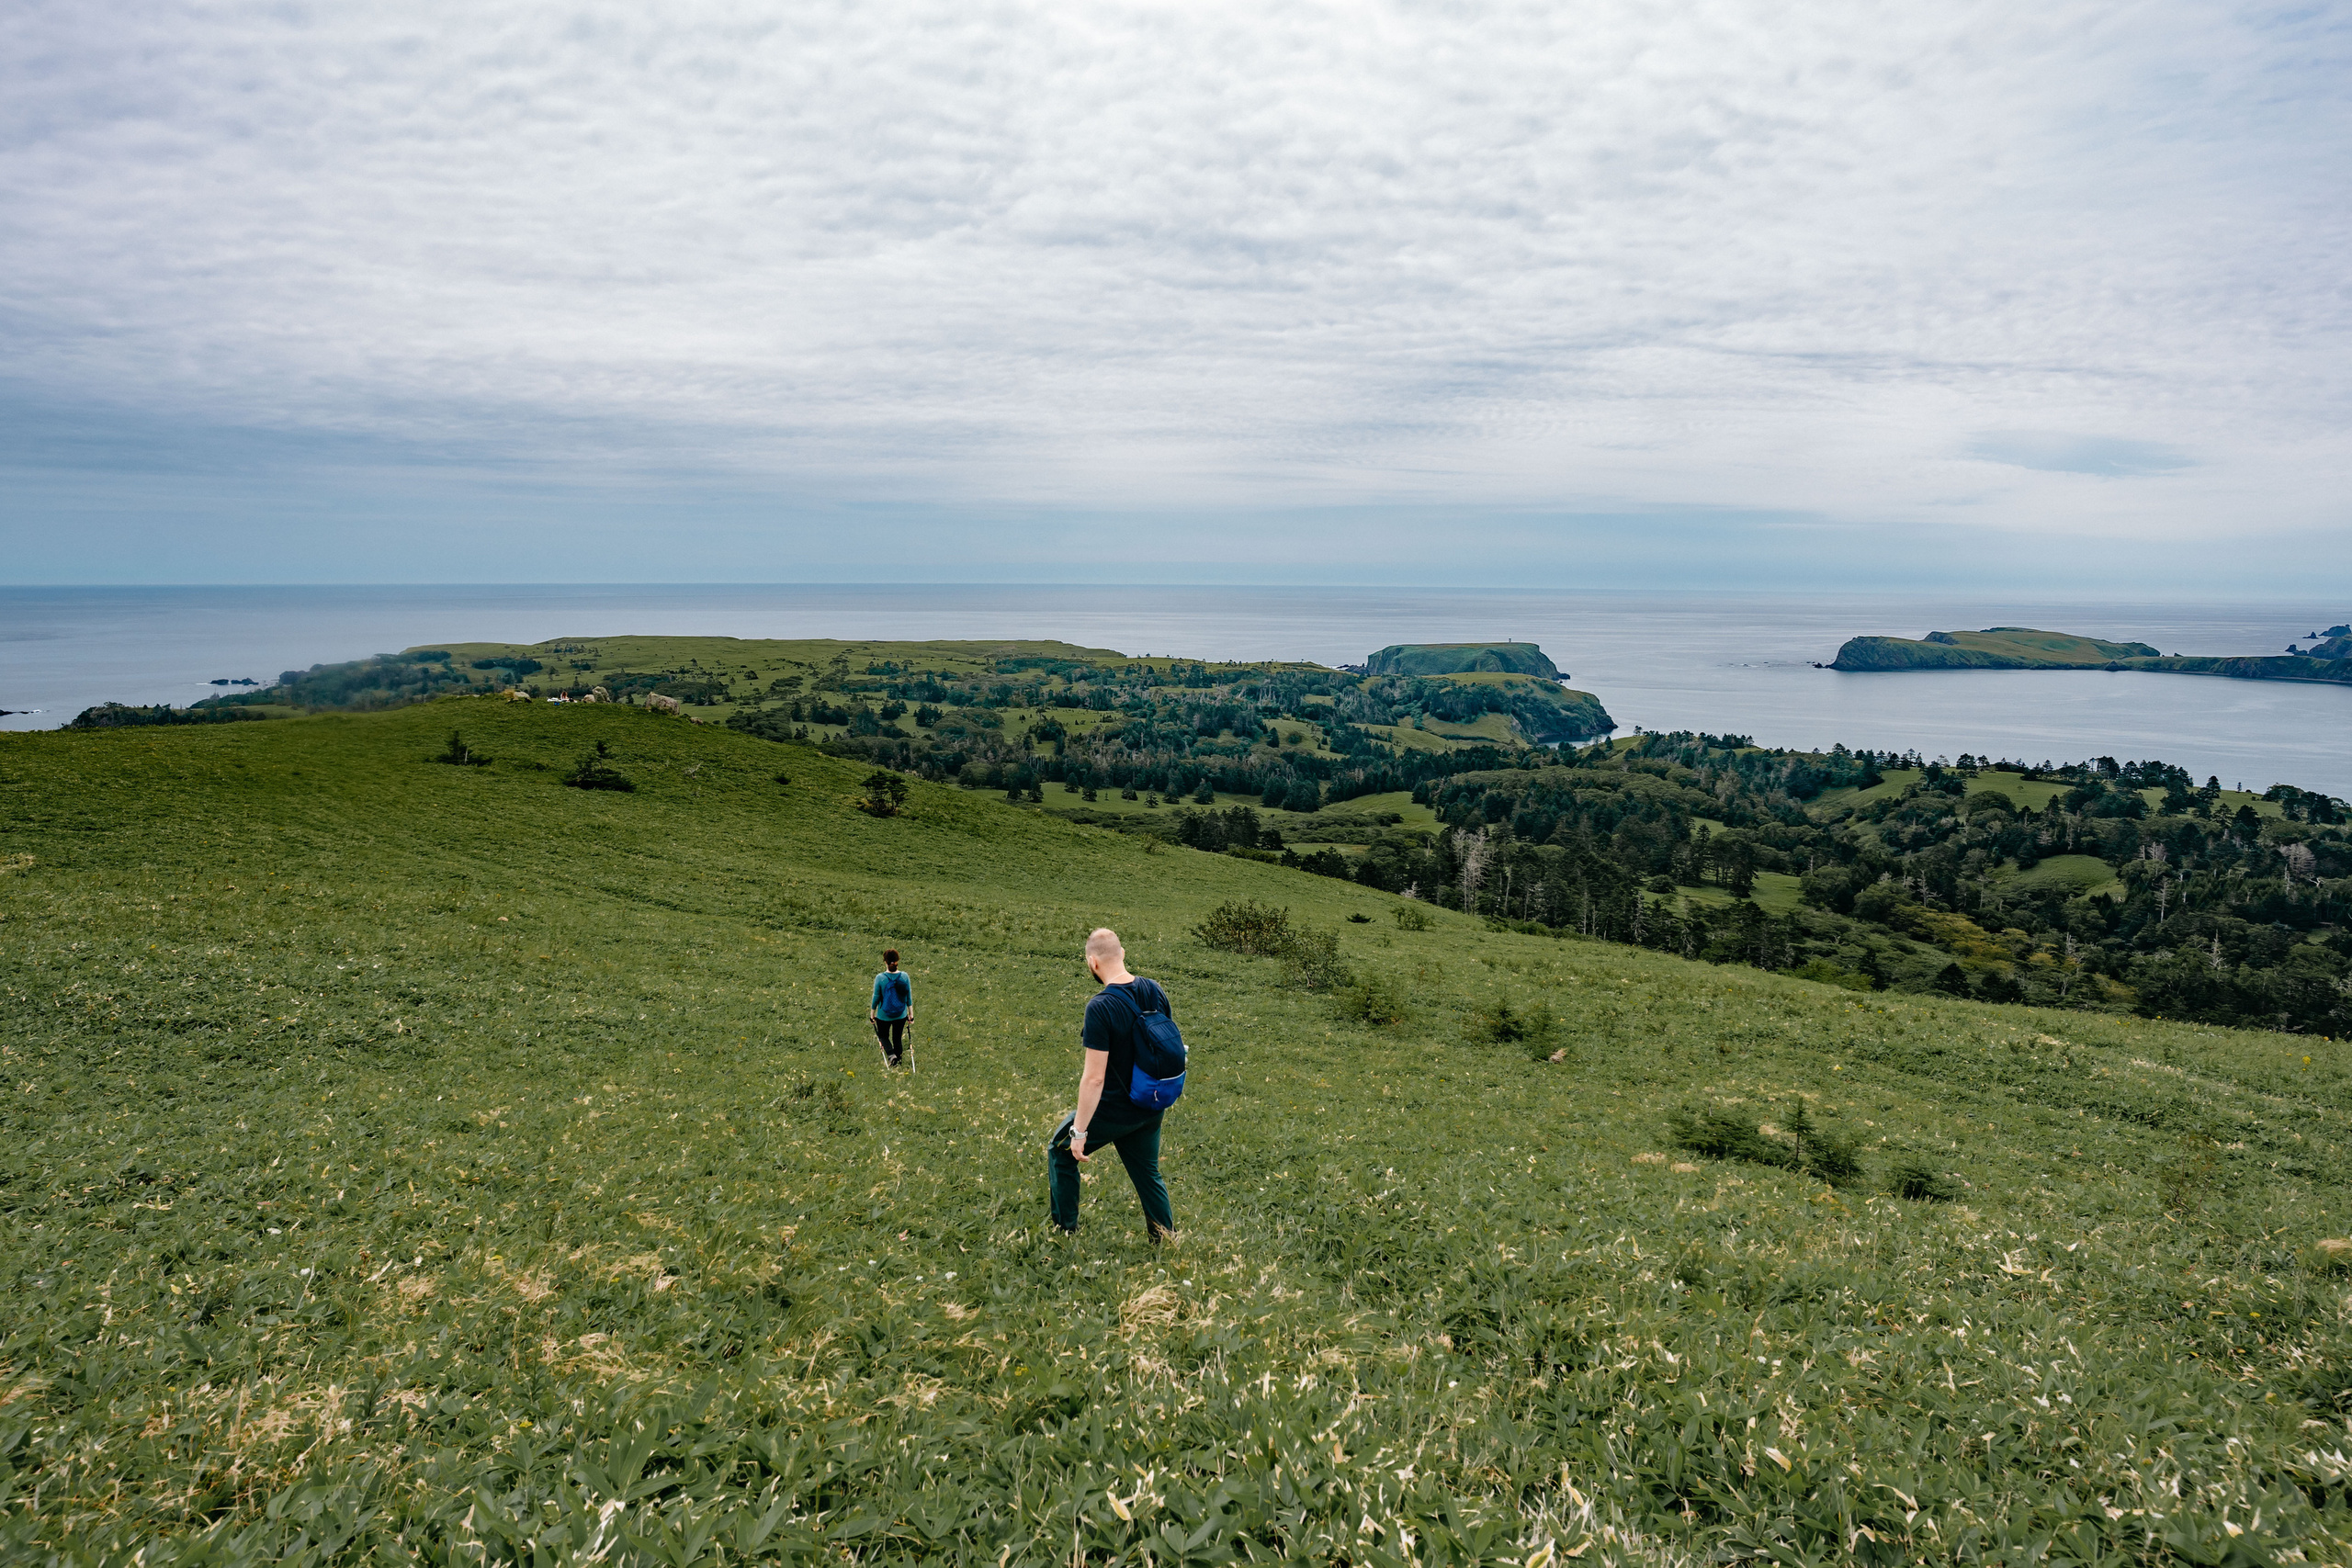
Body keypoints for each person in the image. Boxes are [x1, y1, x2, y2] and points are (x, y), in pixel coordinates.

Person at [1047, 928, 1175, 1240]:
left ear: (1093, 962)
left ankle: (1065, 1231)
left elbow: (1094, 1078)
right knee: (1148, 1173)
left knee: (1061, 1150)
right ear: (1123, 955)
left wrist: (1079, 1132)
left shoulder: (1100, 1007)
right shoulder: (1154, 989)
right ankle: (1166, 1238)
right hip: (1152, 1101)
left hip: (1117, 1108)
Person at [869, 949, 912, 1068]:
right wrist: (911, 1014)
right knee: (897, 1038)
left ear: (885, 962)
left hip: (884, 1015)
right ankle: (898, 1062)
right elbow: (908, 997)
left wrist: (872, 1013)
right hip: (901, 1014)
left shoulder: (880, 978)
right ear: (897, 961)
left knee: (883, 1036)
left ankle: (891, 1055)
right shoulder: (904, 976)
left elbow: (876, 997)